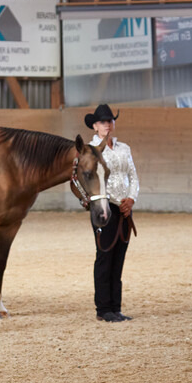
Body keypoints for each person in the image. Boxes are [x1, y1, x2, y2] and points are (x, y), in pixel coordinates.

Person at [85, 104, 140, 323]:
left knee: (119, 257)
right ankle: (103, 308)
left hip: (124, 209)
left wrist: (131, 199)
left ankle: (115, 307)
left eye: (110, 121)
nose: (107, 125)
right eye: (102, 122)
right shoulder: (89, 150)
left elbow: (133, 176)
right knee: (105, 256)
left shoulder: (124, 148)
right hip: (104, 208)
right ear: (95, 126)